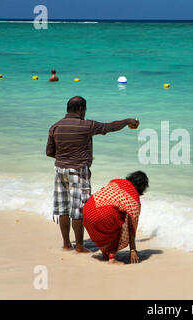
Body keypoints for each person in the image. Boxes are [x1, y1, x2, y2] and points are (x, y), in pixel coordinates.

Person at [46, 96, 140, 253]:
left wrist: (66, 157)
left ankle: (66, 244)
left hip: (60, 170)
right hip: (78, 170)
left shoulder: (55, 127)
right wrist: (127, 121)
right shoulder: (86, 125)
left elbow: (49, 152)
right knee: (78, 209)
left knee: (63, 208)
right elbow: (109, 127)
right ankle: (80, 247)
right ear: (81, 109)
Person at [83, 171, 149, 264]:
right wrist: (133, 249)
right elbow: (132, 226)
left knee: (114, 215)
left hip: (88, 209)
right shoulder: (133, 197)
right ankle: (112, 258)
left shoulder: (116, 182)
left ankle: (105, 253)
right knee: (120, 222)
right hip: (102, 215)